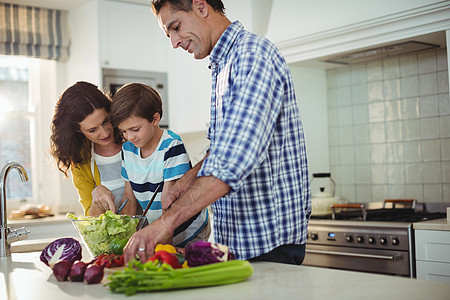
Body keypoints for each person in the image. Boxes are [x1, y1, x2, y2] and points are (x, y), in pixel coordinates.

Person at [124, 0, 311, 264]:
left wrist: (165, 223)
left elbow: (232, 160)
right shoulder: (223, 65)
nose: (174, 43)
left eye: (176, 27)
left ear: (201, 7)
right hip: (238, 243)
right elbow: (222, 149)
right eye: (169, 34)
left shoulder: (251, 56)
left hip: (268, 244)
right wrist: (188, 179)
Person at [109, 83, 210, 247]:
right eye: (123, 131)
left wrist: (165, 247)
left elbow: (170, 203)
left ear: (155, 119)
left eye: (135, 129)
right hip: (159, 230)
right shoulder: (128, 149)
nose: (129, 137)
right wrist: (126, 236)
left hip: (189, 231)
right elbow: (129, 198)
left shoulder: (171, 145)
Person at [50, 81, 130, 217]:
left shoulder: (134, 138)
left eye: (106, 121)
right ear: (77, 130)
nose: (105, 133)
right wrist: (96, 202)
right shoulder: (82, 163)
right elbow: (90, 220)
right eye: (92, 130)